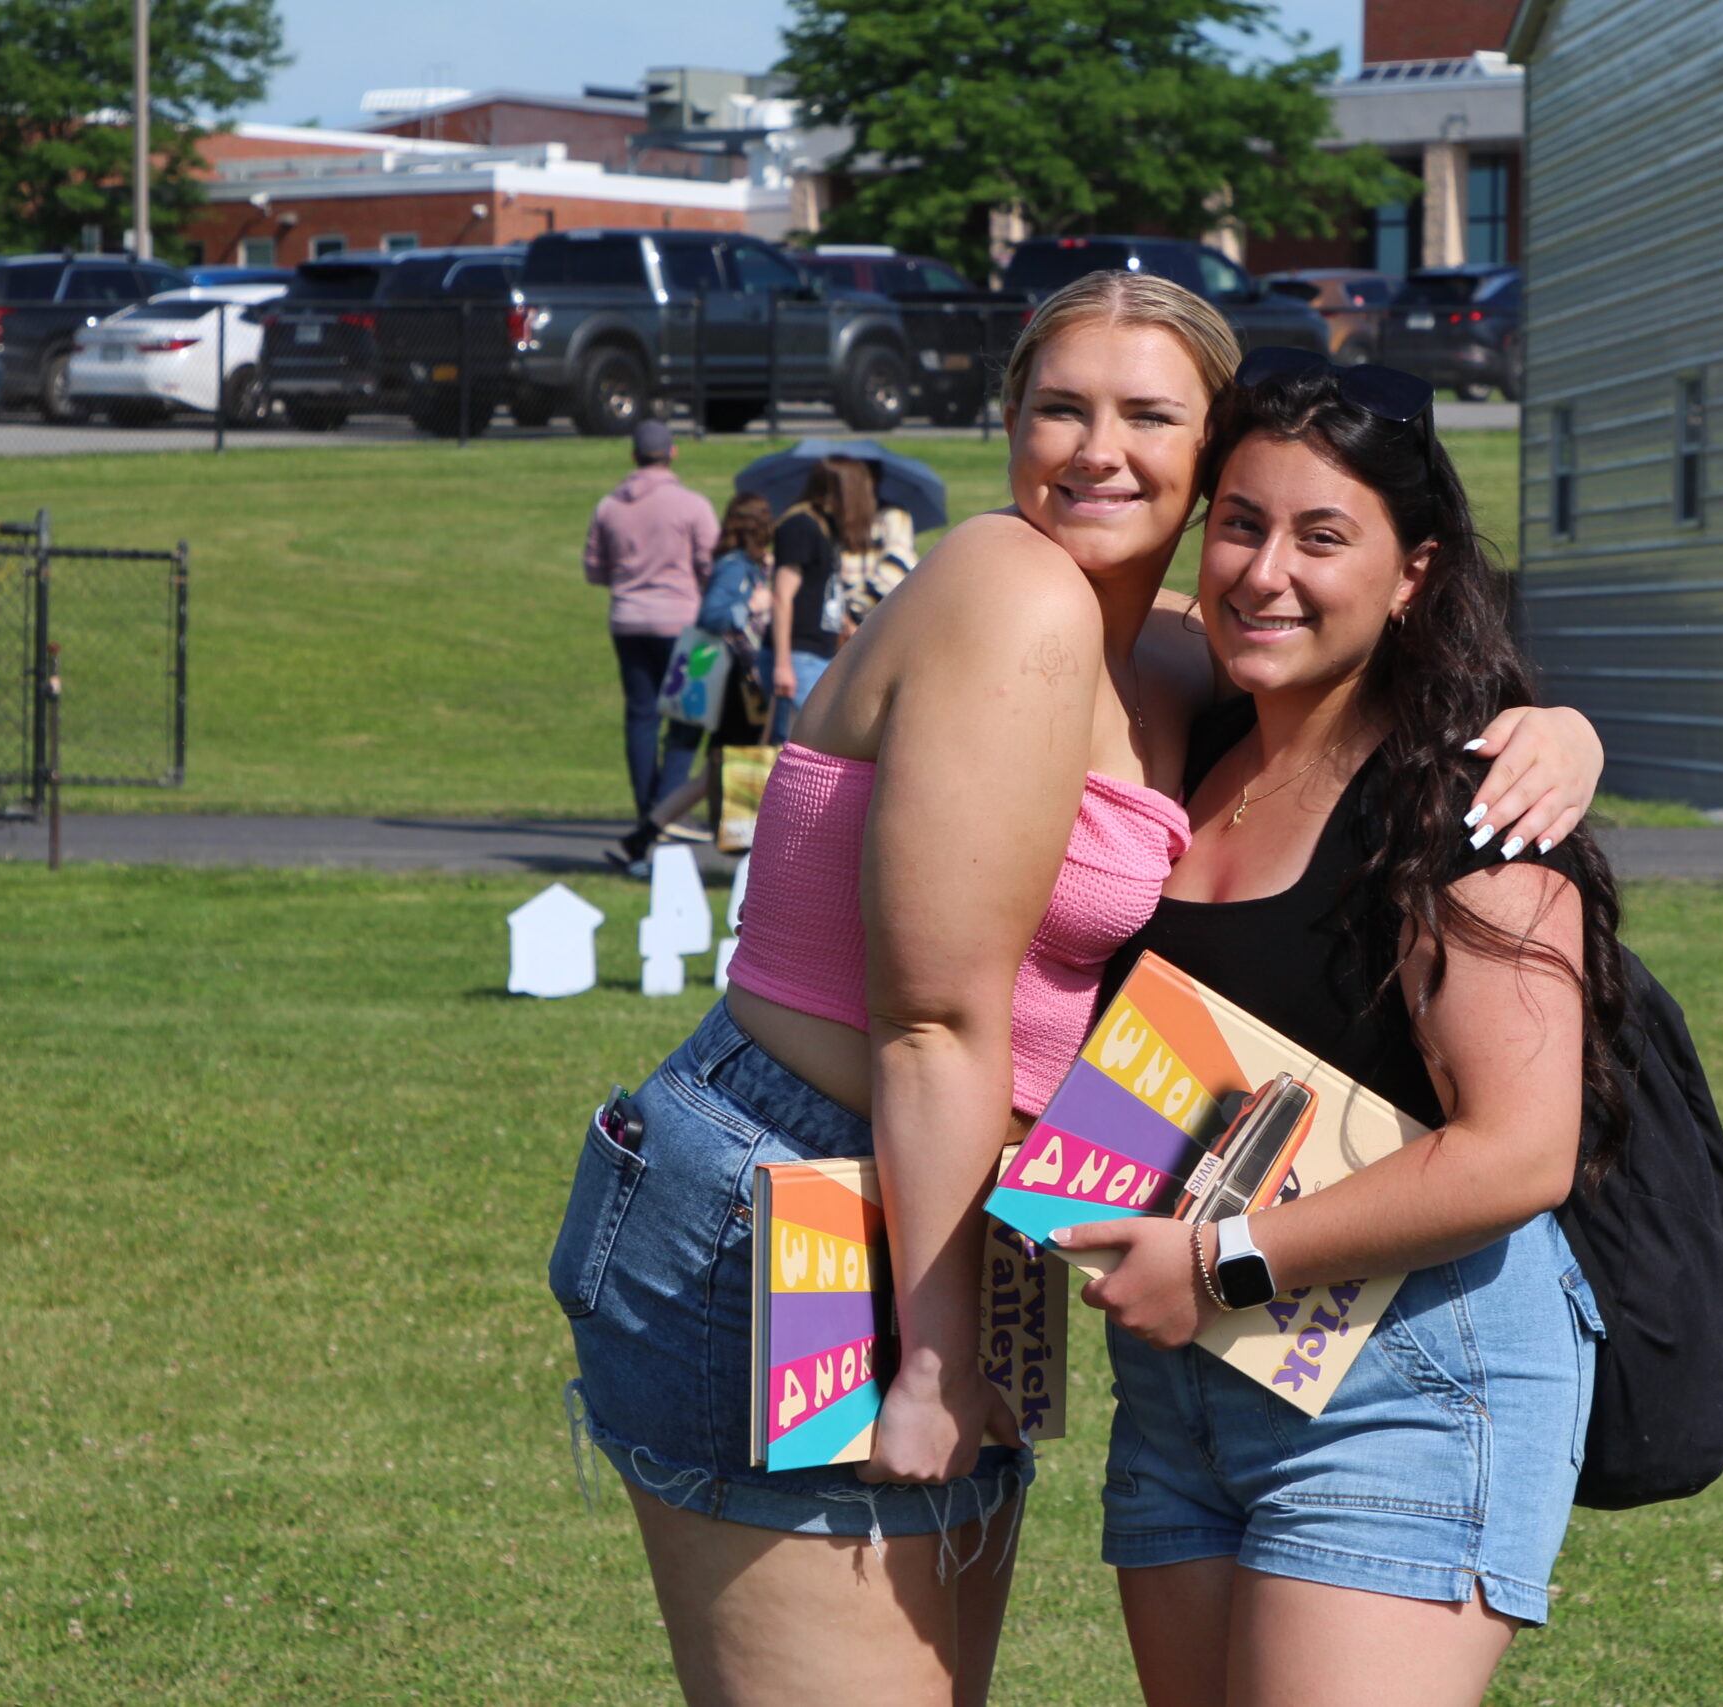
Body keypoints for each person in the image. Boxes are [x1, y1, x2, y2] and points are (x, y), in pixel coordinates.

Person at [548, 274, 1606, 1707]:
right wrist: (927, 1358)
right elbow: (932, 1017)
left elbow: (1346, 649)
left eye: (1150, 415)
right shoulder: (1019, 592)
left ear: (1211, 451)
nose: (1097, 448)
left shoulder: (1164, 650)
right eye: (1061, 406)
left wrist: (1555, 729)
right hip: (806, 1195)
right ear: (1006, 424)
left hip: (919, 1222)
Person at [1054, 348, 1631, 1707]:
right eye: (1243, 524)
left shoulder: (1467, 795)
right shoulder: (1190, 739)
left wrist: (1219, 1260)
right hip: (1188, 1381)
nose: (1267, 572)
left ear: (1414, 571)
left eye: (1325, 537)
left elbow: (1517, 1154)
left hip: (1411, 1373)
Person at [609, 493, 774, 872]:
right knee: (744, 760)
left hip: (731, 678)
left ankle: (642, 837)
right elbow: (713, 615)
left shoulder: (741, 565)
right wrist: (754, 604)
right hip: (734, 681)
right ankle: (746, 855)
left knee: (713, 772)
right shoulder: (735, 567)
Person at [585, 419, 718, 821]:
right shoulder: (692, 506)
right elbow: (711, 566)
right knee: (687, 719)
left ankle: (647, 808)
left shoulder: (609, 507)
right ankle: (663, 812)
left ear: (633, 456)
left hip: (627, 619)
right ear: (673, 454)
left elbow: (595, 570)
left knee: (640, 716)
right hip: (685, 623)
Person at [762, 456, 872, 742]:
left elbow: (825, 590)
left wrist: (849, 626)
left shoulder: (825, 527)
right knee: (801, 746)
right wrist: (783, 664)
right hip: (798, 654)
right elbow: (782, 596)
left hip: (818, 654)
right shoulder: (800, 526)